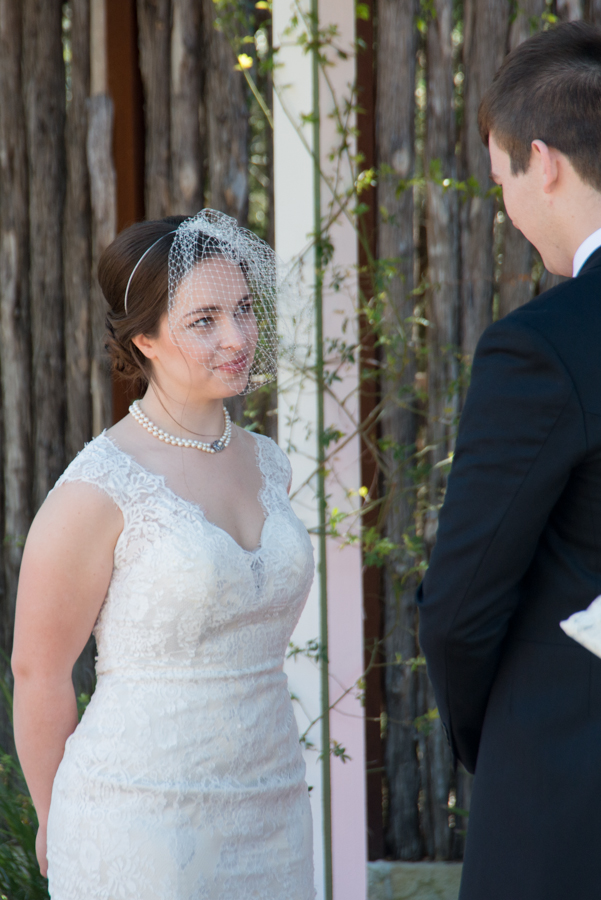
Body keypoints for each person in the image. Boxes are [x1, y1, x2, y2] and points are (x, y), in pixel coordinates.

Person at [11, 210, 316, 900]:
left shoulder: (269, 465)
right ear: (144, 338)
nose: (237, 337)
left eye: (242, 309)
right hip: (139, 817)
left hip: (272, 810)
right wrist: (53, 816)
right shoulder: (100, 488)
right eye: (203, 320)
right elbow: (37, 672)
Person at [417, 22, 601, 900]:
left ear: (544, 162)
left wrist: (493, 734)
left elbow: (460, 603)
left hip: (569, 780)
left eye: (502, 184)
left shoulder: (543, 346)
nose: (509, 211)